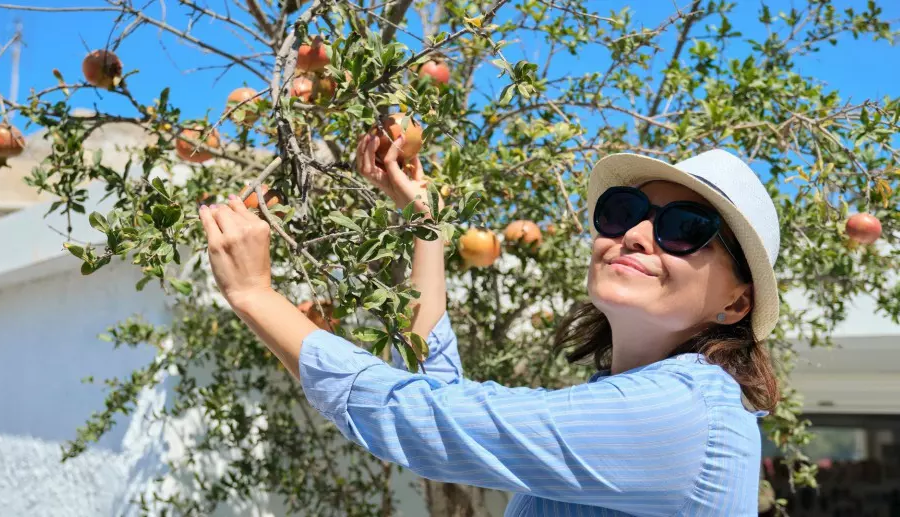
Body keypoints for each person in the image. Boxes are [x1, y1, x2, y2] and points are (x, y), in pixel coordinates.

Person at [198, 133, 782, 516]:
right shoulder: (646, 402)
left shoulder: (683, 412)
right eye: (624, 212)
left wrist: (254, 294)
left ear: (735, 304)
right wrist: (424, 227)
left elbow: (425, 419)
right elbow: (439, 395)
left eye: (684, 227)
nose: (634, 234)